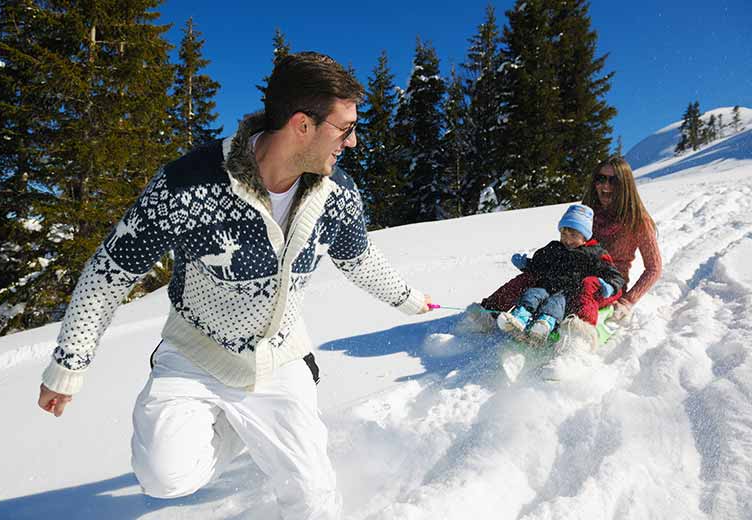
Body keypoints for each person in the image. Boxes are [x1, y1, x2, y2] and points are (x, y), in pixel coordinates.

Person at [36, 52, 432, 519]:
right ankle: (240, 431)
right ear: (302, 125)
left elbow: (357, 255)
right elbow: (110, 272)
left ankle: (261, 424)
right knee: (164, 478)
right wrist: (69, 365)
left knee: (313, 499)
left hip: (279, 356)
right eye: (344, 128)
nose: (352, 141)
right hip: (195, 352)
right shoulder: (187, 184)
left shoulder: (337, 194)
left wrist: (409, 299)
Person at [461, 156, 662, 378]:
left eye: (612, 181)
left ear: (625, 185)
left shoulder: (638, 221)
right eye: (600, 178)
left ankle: (576, 346)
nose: (604, 186)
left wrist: (627, 301)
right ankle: (488, 314)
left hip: (605, 284)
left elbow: (654, 268)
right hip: (570, 276)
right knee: (532, 278)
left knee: (588, 284)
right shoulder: (587, 212)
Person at [495, 204, 625, 345]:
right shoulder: (554, 248)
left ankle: (544, 325)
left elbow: (614, 275)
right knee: (531, 295)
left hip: (567, 293)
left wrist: (609, 285)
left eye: (573, 235)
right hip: (546, 286)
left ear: (584, 237)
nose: (567, 240)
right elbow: (539, 264)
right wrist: (526, 264)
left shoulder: (594, 254)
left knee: (554, 305)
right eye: (564, 234)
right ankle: (519, 318)